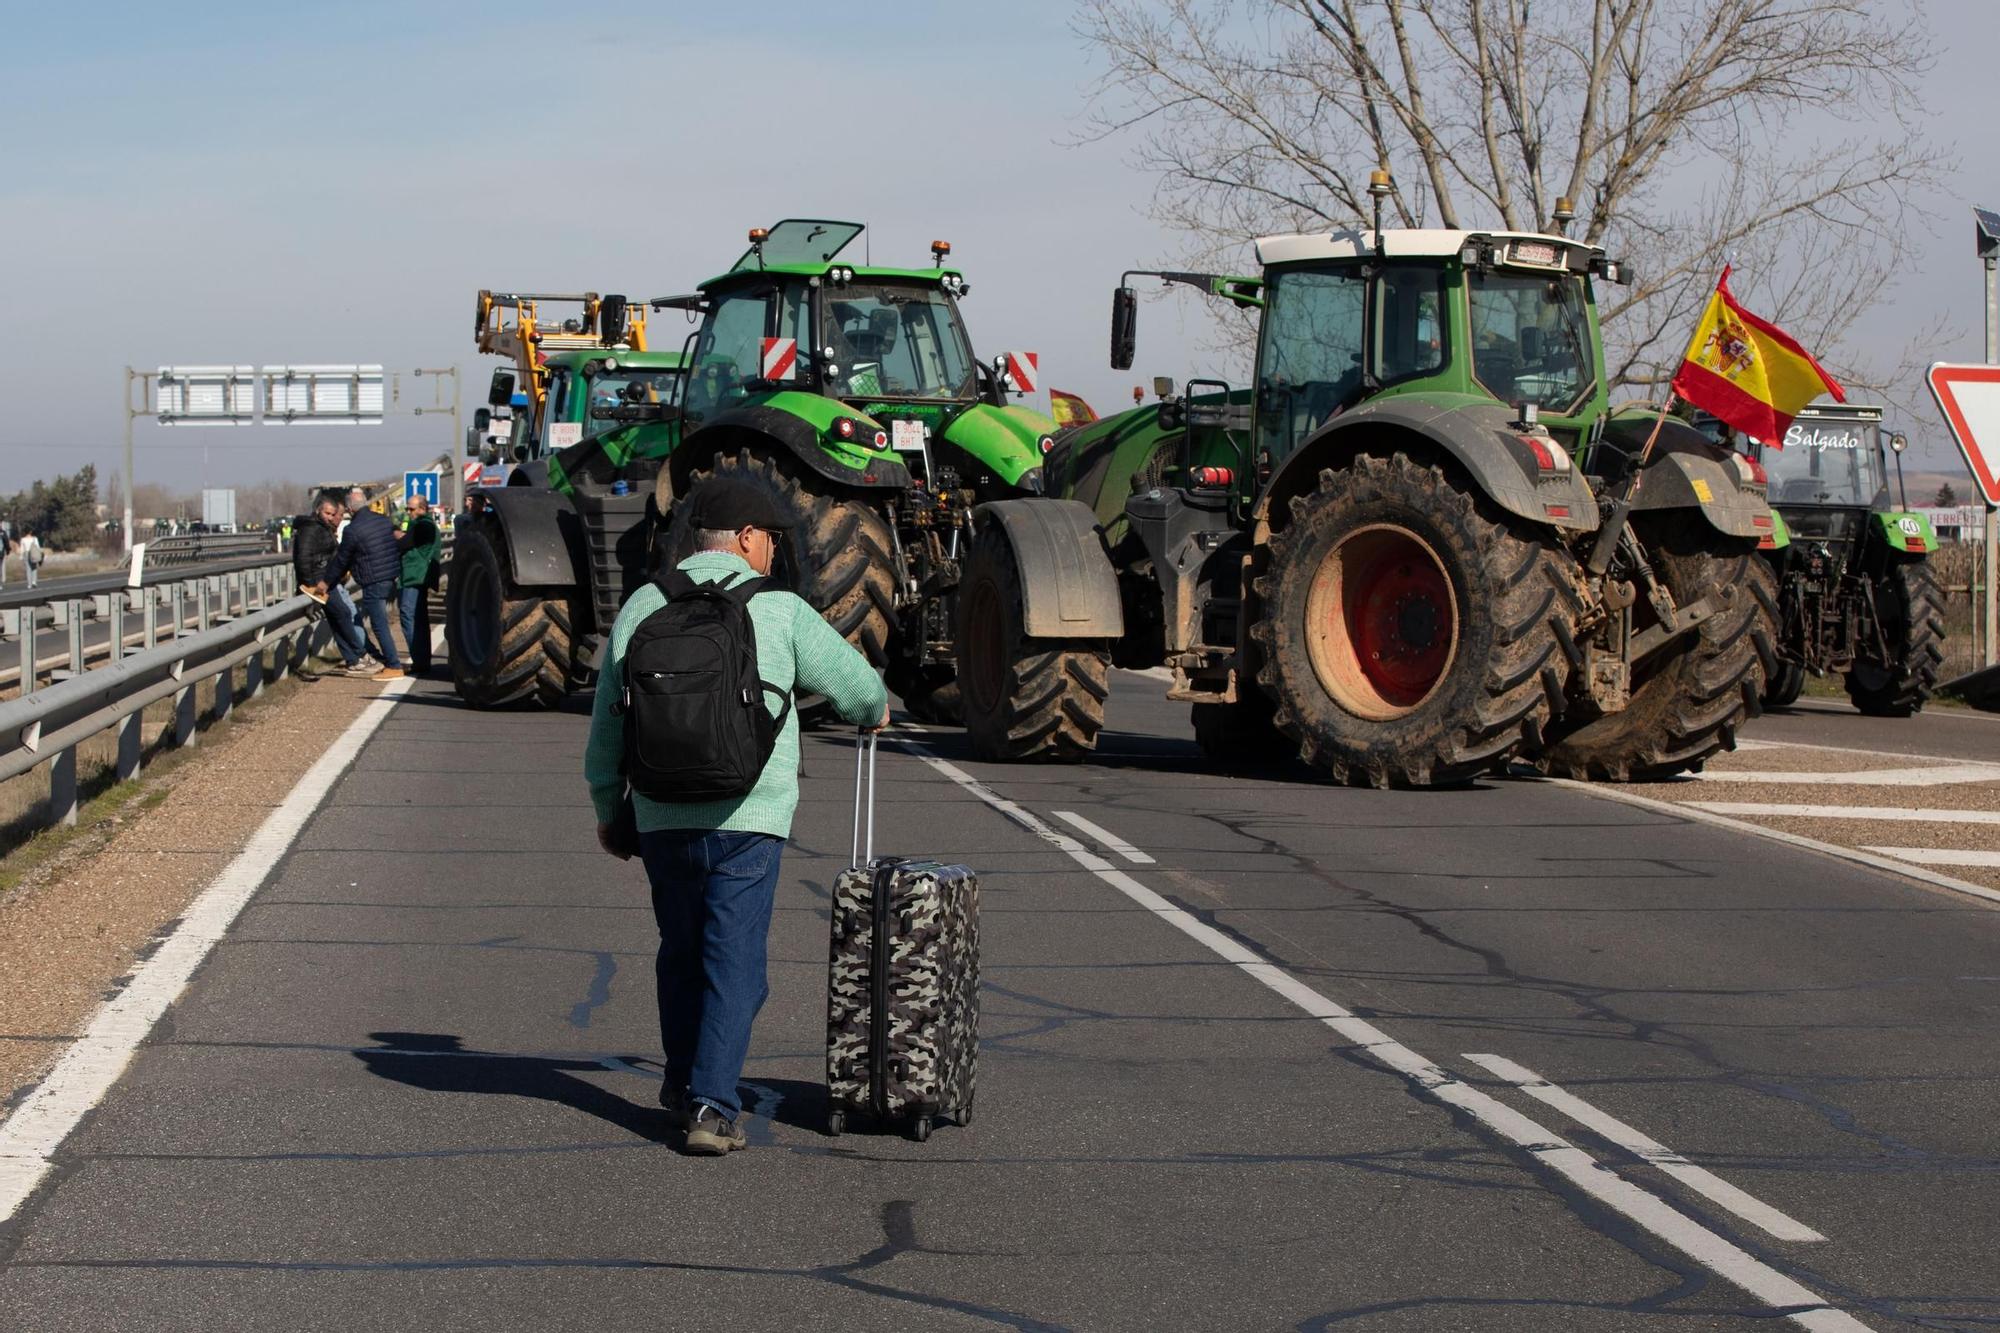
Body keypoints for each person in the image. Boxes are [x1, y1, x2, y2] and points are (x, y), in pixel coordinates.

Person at [583, 477, 887, 1156]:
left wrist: (612, 808)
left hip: (661, 814)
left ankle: (681, 1082)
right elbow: (856, 685)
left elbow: (606, 720)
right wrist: (877, 709)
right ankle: (713, 1106)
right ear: (746, 538)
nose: (775, 553)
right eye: (771, 540)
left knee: (682, 951)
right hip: (751, 816)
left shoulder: (642, 604)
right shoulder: (777, 608)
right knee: (735, 962)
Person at [314, 493, 404, 681]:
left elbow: (341, 560)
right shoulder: (383, 521)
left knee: (379, 625)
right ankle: (392, 662)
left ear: (350, 509)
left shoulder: (353, 530)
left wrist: (326, 582)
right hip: (391, 576)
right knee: (382, 623)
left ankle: (394, 666)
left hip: (373, 580)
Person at [294, 490, 364, 680]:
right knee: (342, 614)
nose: (332, 518)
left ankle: (353, 659)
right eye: (328, 513)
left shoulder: (322, 527)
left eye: (334, 514)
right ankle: (360, 655)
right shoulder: (310, 529)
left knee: (338, 617)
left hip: (326, 582)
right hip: (318, 584)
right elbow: (303, 560)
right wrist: (311, 586)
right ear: (318, 511)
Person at [396, 494, 442, 675]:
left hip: (415, 576)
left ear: (422, 509)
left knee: (410, 616)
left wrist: (398, 536)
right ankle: (421, 660)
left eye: (411, 509)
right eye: (407, 508)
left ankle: (420, 659)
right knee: (418, 618)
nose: (408, 512)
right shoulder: (421, 524)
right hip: (415, 575)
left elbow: (405, 543)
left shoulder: (425, 525)